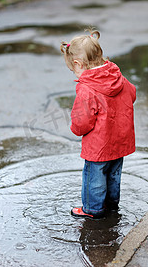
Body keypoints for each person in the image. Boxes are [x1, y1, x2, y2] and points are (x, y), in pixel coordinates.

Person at [60, 29, 136, 219]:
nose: (75, 75)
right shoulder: (117, 76)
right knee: (113, 175)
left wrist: (76, 129)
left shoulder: (87, 89)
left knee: (94, 178)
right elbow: (132, 93)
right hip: (120, 140)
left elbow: (82, 122)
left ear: (78, 63)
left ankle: (93, 209)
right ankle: (111, 205)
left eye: (73, 70)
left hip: (99, 146)